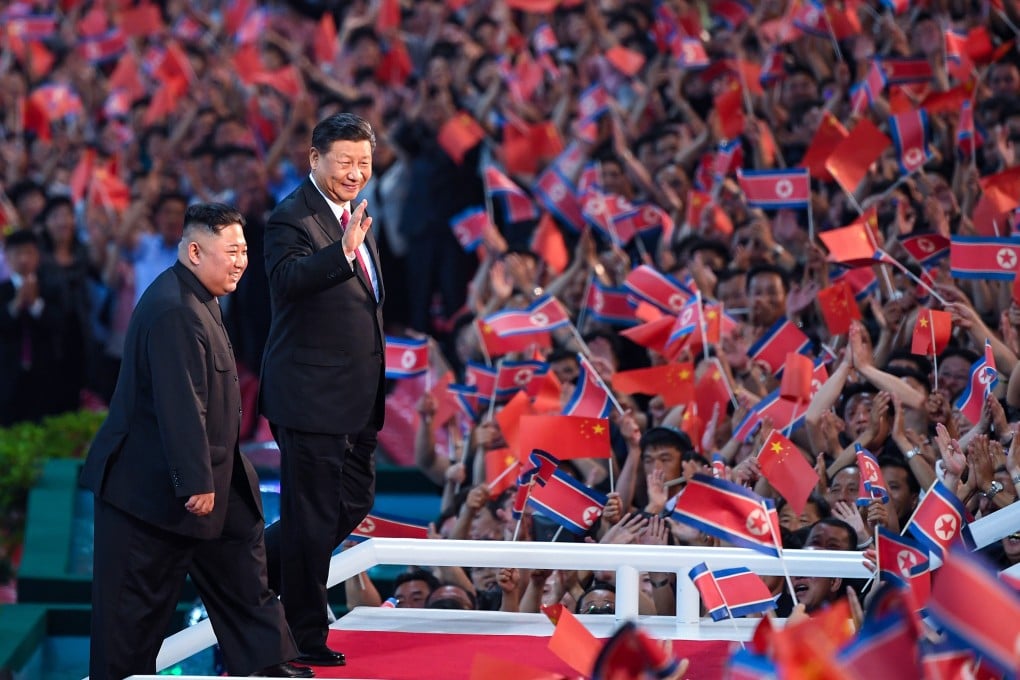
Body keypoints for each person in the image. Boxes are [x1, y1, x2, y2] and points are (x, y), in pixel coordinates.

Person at [79, 204, 310, 679]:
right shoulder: (175, 309)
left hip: (212, 480)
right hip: (153, 494)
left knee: (244, 575)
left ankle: (269, 663)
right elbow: (180, 401)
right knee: (130, 619)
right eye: (231, 251)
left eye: (245, 250)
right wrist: (195, 480)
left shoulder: (197, 292)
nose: (241, 261)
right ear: (194, 250)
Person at [260, 112, 385, 667]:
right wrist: (341, 252)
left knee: (354, 501)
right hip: (309, 398)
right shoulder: (291, 217)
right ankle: (304, 635)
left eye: (364, 163)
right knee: (311, 518)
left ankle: (253, 565)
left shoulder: (352, 214)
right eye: (344, 162)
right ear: (315, 159)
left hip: (354, 400)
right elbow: (287, 282)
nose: (356, 172)